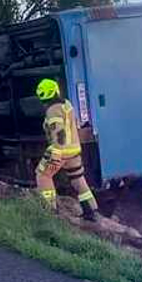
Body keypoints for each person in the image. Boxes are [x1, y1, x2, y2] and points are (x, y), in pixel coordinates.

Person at [35, 78, 102, 222]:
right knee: (77, 178)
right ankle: (91, 210)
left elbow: (59, 133)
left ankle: (49, 212)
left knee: (43, 175)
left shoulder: (52, 110)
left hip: (60, 150)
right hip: (74, 150)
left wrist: (56, 152)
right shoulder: (67, 105)